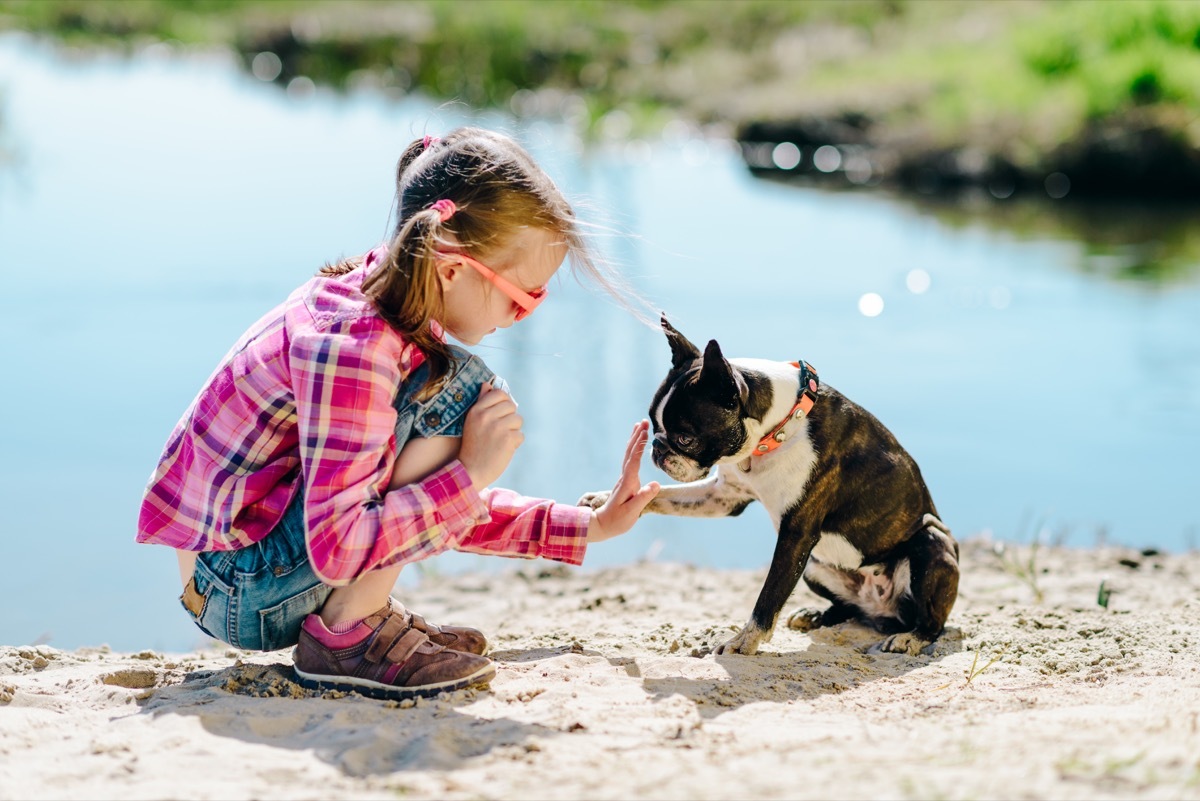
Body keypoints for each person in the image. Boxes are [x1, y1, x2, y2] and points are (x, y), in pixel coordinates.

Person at [137, 127, 661, 701]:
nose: (521, 316)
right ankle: (347, 635)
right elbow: (341, 545)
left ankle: (360, 616)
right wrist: (470, 476)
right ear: (452, 267)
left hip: (244, 567)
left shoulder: (377, 306)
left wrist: (587, 525)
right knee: (464, 390)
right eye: (524, 296)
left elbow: (386, 489)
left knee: (453, 387)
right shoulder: (355, 350)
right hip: (240, 588)